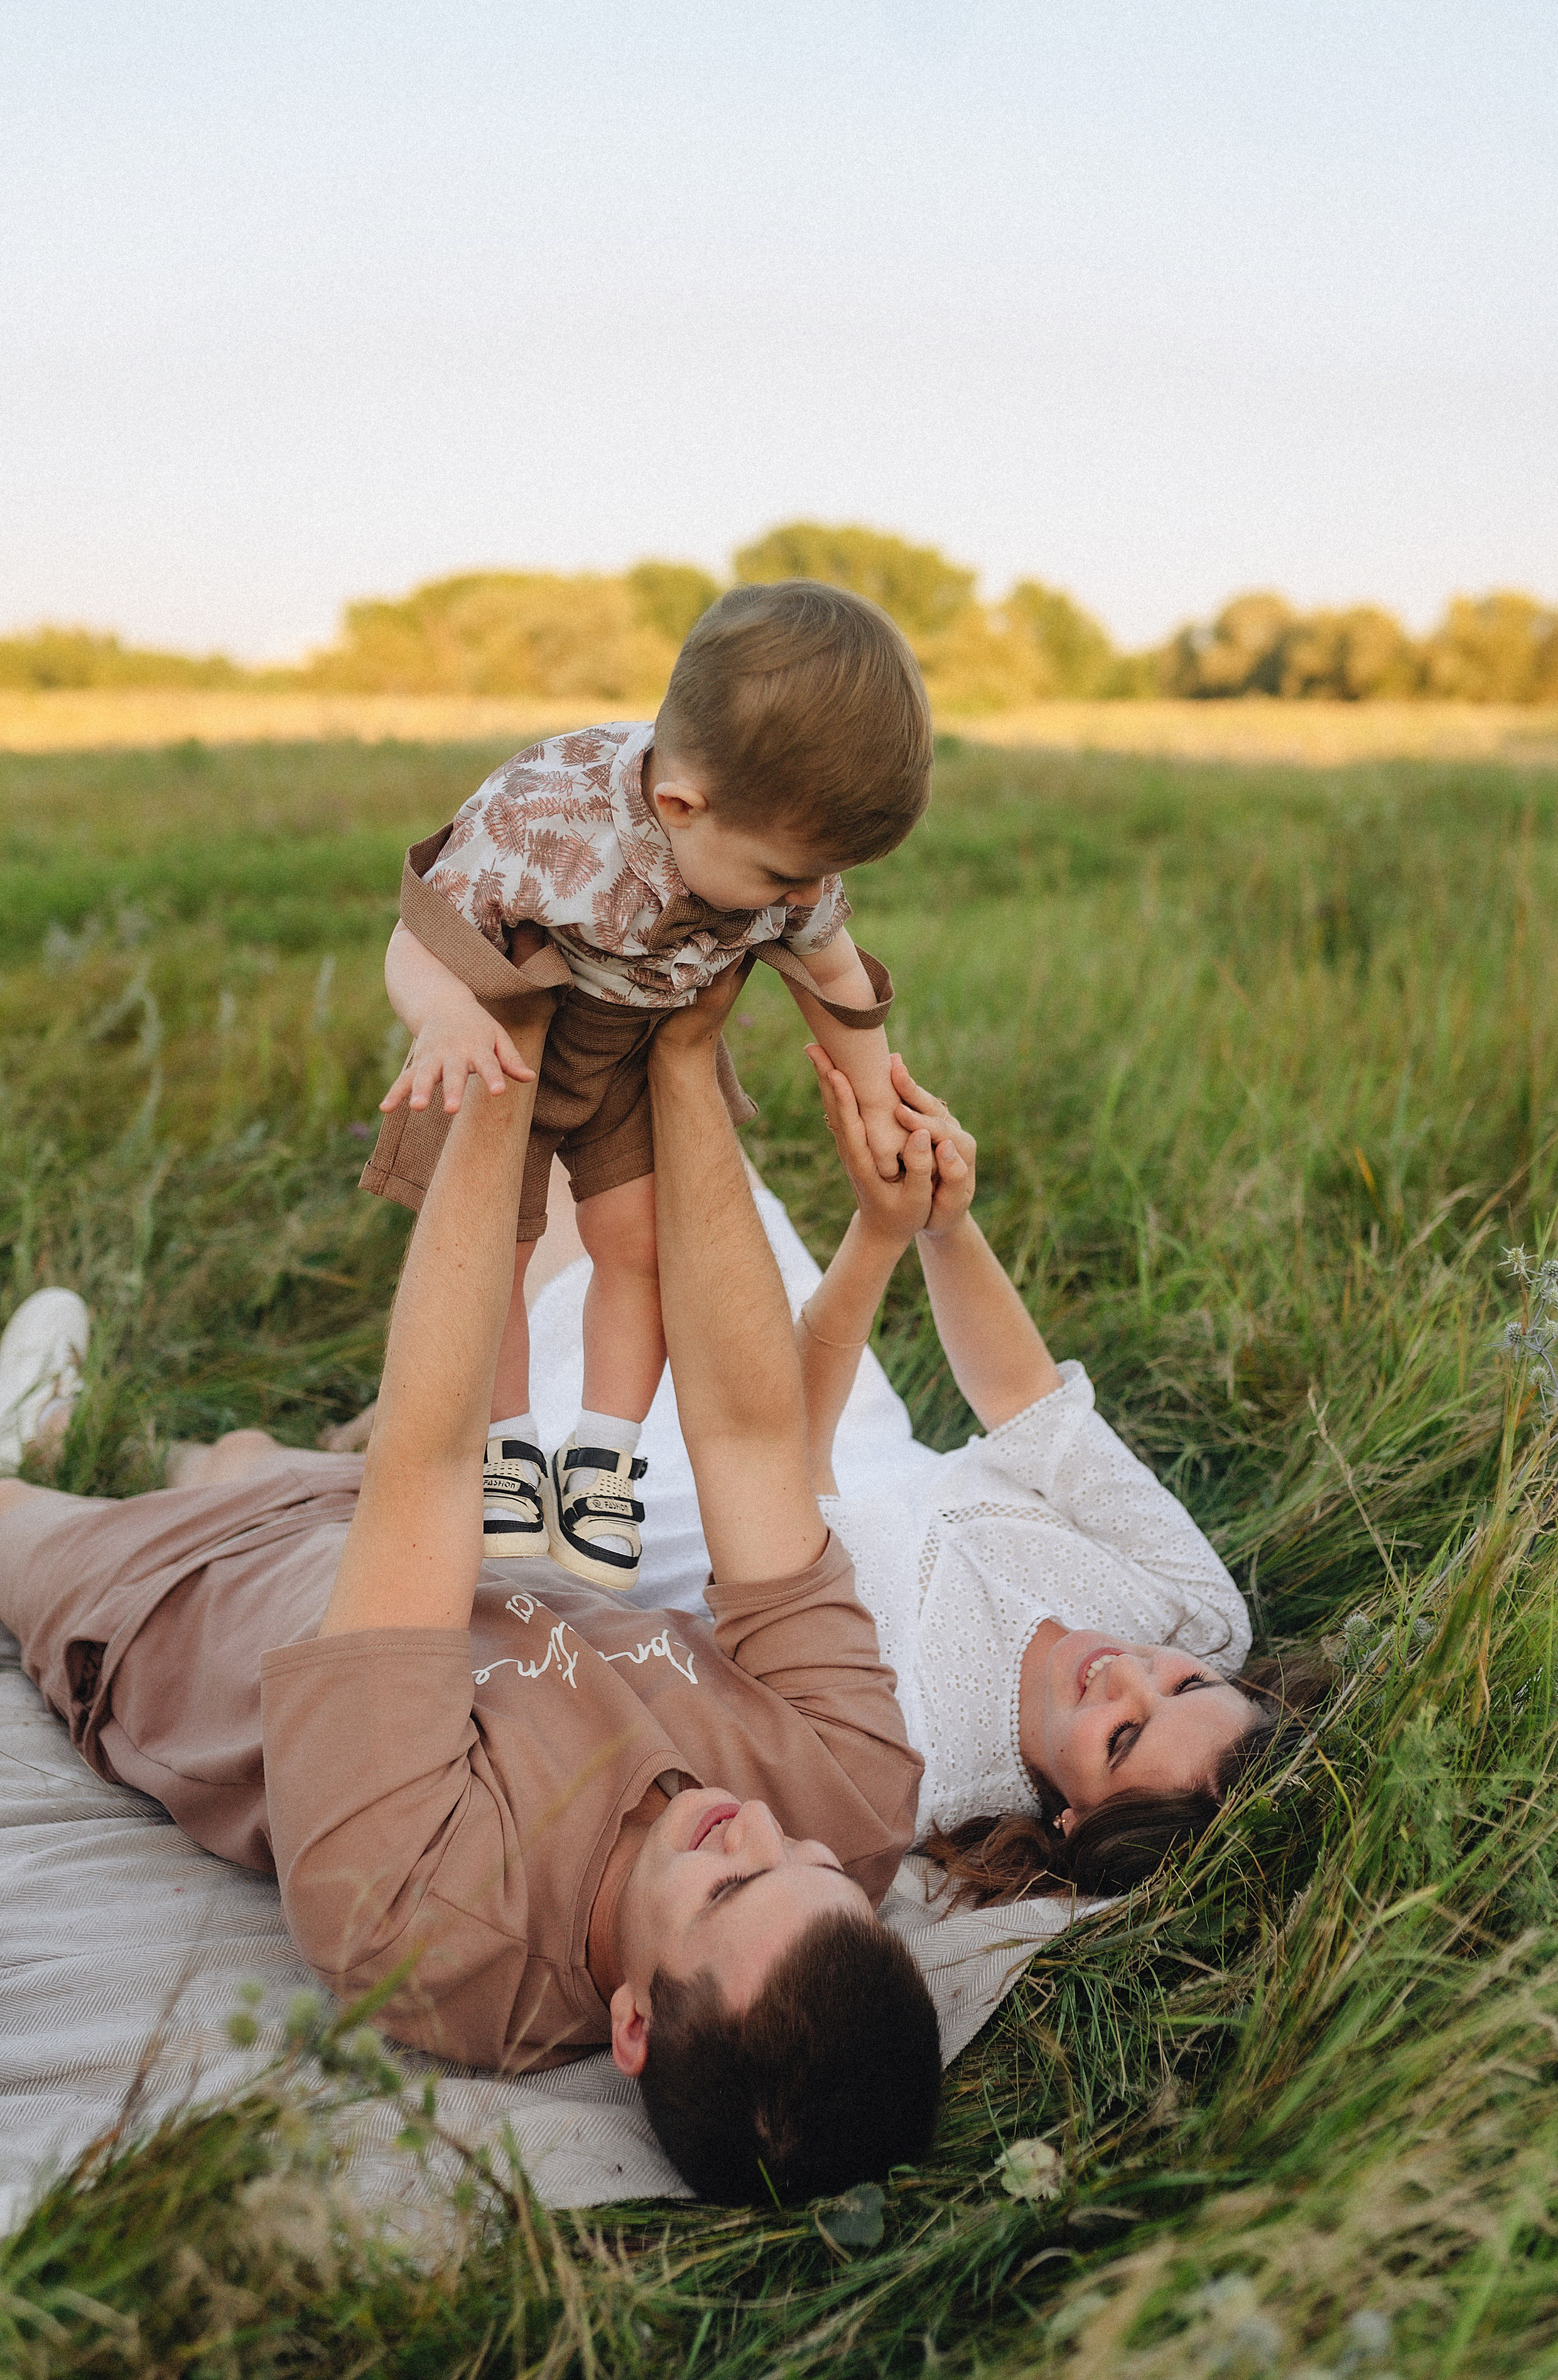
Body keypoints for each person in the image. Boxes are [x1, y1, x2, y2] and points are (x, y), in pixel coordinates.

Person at [0, 972, 941, 2205]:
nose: (759, 1820)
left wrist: (512, 1063)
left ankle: (41, 1455)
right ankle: (97, 1430)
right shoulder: (854, 1805)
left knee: (65, 1513)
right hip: (441, 1553)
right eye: (810, 1860)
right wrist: (686, 1055)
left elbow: (431, 1462)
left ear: (632, 2031)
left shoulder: (429, 1929)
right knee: (240, 1455)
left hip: (187, 1597)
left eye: (729, 1879)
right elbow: (756, 1441)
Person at [517, 1051, 1329, 1909]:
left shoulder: (919, 1771)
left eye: (1121, 1737)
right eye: (1185, 1684)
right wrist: (944, 1220)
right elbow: (1028, 1406)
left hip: (676, 1471)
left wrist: (876, 1237)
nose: (1125, 1672)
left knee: (526, 1059)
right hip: (842, 1390)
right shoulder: (1199, 1615)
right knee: (644, 1038)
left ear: (1072, 1822)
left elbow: (775, 1464)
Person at [360, 581, 931, 1588]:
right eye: (784, 878)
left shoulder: (777, 845)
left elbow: (836, 977)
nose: (805, 900)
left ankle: (601, 1460)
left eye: (819, 877)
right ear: (679, 806)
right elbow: (419, 937)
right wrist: (445, 1013)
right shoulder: (543, 813)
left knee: (639, 1244)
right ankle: (507, 1448)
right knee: (497, 1244)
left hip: (630, 1053)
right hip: (509, 1039)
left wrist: (877, 1095)